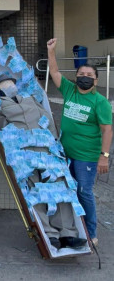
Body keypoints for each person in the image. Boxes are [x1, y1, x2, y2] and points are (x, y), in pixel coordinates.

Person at [0, 75, 86, 250]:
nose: (11, 86)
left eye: (12, 83)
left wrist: (54, 142)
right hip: (23, 153)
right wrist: (15, 148)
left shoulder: (29, 98)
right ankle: (49, 234)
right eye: (6, 84)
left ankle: (68, 232)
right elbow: (2, 128)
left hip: (45, 147)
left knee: (60, 187)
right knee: (35, 189)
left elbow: (47, 119)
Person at [46, 38, 112, 247]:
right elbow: (55, 73)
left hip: (87, 157)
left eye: (89, 75)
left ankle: (91, 232)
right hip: (65, 153)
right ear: (76, 77)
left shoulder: (99, 102)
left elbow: (107, 130)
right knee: (67, 190)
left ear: (96, 79)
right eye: (81, 74)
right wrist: (51, 51)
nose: (84, 77)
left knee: (84, 191)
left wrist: (105, 156)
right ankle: (71, 227)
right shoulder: (70, 90)